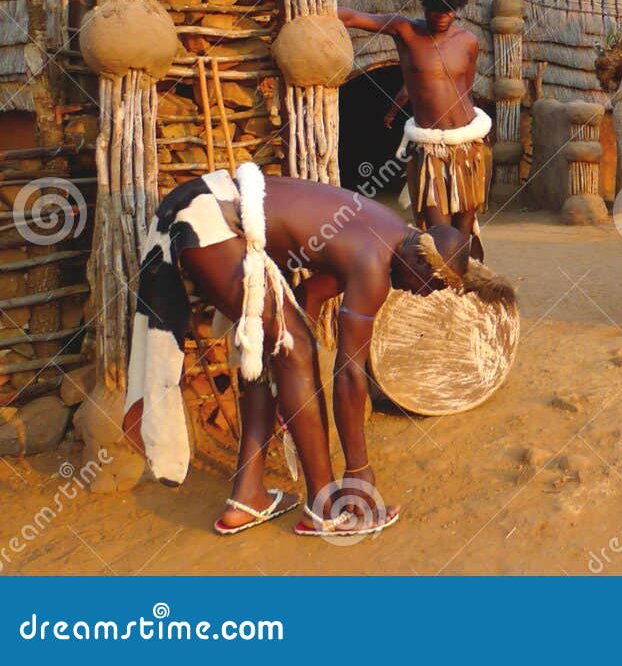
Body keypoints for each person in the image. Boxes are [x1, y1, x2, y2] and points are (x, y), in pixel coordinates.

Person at [124, 164, 501, 536]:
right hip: (210, 219)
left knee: (279, 348)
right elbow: (350, 371)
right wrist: (358, 467)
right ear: (420, 259)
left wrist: (295, 393)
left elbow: (310, 296)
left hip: (201, 205)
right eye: (428, 286)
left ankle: (248, 495)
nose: (419, 295)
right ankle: (324, 506)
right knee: (295, 346)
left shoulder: (386, 231)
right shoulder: (374, 259)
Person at [339, 0, 491, 258]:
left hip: (468, 149)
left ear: (457, 7)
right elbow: (354, 17)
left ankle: (462, 298)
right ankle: (437, 295)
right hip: (429, 152)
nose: (442, 16)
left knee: (464, 236)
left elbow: (462, 91)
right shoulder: (405, 31)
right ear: (424, 3)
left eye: (449, 9)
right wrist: (317, 15)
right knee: (438, 237)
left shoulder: (469, 42)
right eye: (436, 8)